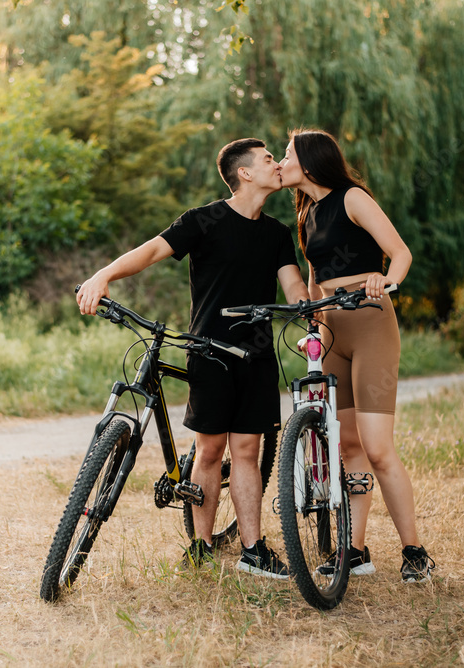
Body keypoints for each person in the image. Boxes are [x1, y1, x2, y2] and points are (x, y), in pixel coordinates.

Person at [77, 138, 309, 579]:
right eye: (267, 159)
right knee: (209, 451)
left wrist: (307, 308)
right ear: (245, 173)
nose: (277, 164)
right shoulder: (204, 220)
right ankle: (200, 547)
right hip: (210, 353)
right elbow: (150, 251)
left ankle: (253, 549)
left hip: (257, 357)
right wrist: (103, 275)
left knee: (247, 449)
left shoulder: (278, 233)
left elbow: (292, 284)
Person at [279, 128, 436, 583]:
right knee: (347, 446)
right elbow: (313, 278)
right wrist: (312, 318)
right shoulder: (306, 213)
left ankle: (415, 552)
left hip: (369, 323)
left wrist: (387, 281)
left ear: (309, 162)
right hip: (330, 331)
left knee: (377, 446)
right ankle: (355, 550)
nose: (281, 162)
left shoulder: (352, 198)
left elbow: (400, 252)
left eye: (286, 154)